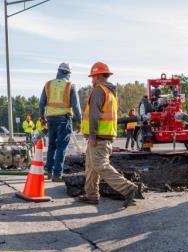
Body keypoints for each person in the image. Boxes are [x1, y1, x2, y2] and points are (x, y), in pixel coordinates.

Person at [78, 62, 138, 207]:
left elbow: (94, 115)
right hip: (104, 135)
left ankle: (128, 188)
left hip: (98, 137)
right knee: (91, 166)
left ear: (98, 76)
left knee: (100, 165)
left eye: (93, 77)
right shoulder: (110, 93)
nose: (92, 80)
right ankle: (91, 195)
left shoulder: (99, 90)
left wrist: (92, 136)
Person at [39, 62, 82, 182]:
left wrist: (42, 118)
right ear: (68, 73)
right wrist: (79, 122)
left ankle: (49, 172)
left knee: (51, 146)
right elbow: (76, 106)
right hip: (64, 119)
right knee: (61, 147)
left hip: (50, 119)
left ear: (58, 71)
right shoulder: (70, 85)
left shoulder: (48, 85)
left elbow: (41, 103)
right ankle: (57, 174)